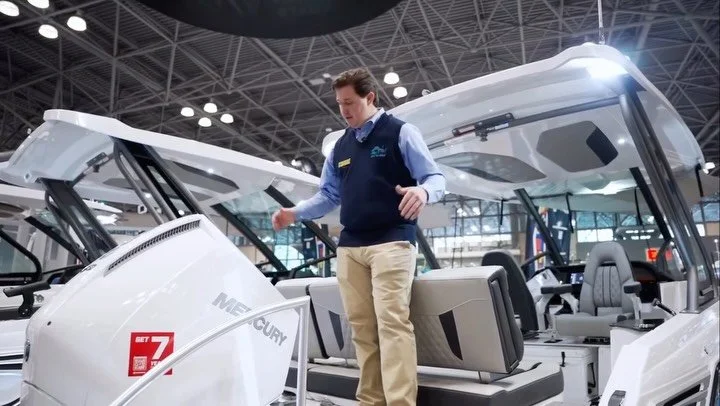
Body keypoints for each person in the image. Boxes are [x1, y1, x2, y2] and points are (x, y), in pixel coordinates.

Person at [272, 67, 445, 406]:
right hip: (351, 246)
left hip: (392, 241)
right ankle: (370, 401)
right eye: (339, 103)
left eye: (349, 102)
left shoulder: (400, 132)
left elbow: (435, 177)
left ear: (370, 97)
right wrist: (295, 212)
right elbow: (328, 195)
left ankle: (400, 403)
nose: (344, 110)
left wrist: (423, 192)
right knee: (362, 329)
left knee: (392, 324)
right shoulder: (340, 146)